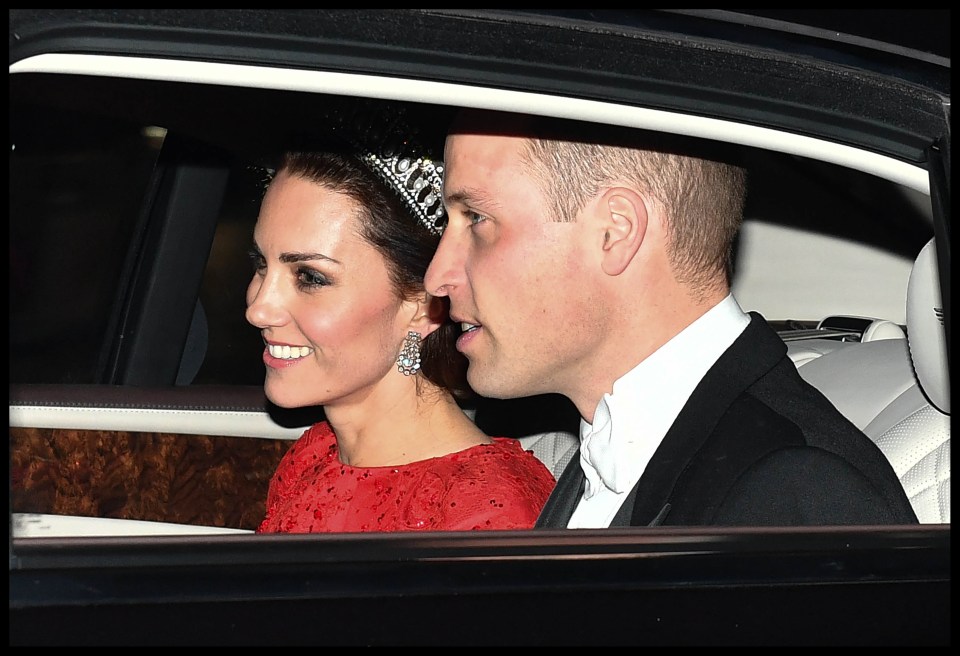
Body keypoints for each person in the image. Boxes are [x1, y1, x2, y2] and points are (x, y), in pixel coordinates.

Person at [424, 109, 919, 528]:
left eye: (477, 220)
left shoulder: (793, 499)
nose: (436, 277)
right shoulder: (619, 445)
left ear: (614, 233)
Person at [247, 106, 556, 534]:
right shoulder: (314, 454)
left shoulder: (486, 515)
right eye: (261, 264)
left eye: (310, 277)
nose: (258, 308)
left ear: (419, 303)